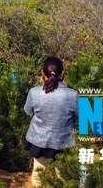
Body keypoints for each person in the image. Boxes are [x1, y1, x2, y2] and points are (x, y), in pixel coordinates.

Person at [23, 56, 78, 188]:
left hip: (38, 141)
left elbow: (28, 111)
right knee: (62, 175)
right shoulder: (72, 94)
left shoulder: (34, 92)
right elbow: (80, 116)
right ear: (63, 74)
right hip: (63, 142)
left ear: (42, 73)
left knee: (38, 173)